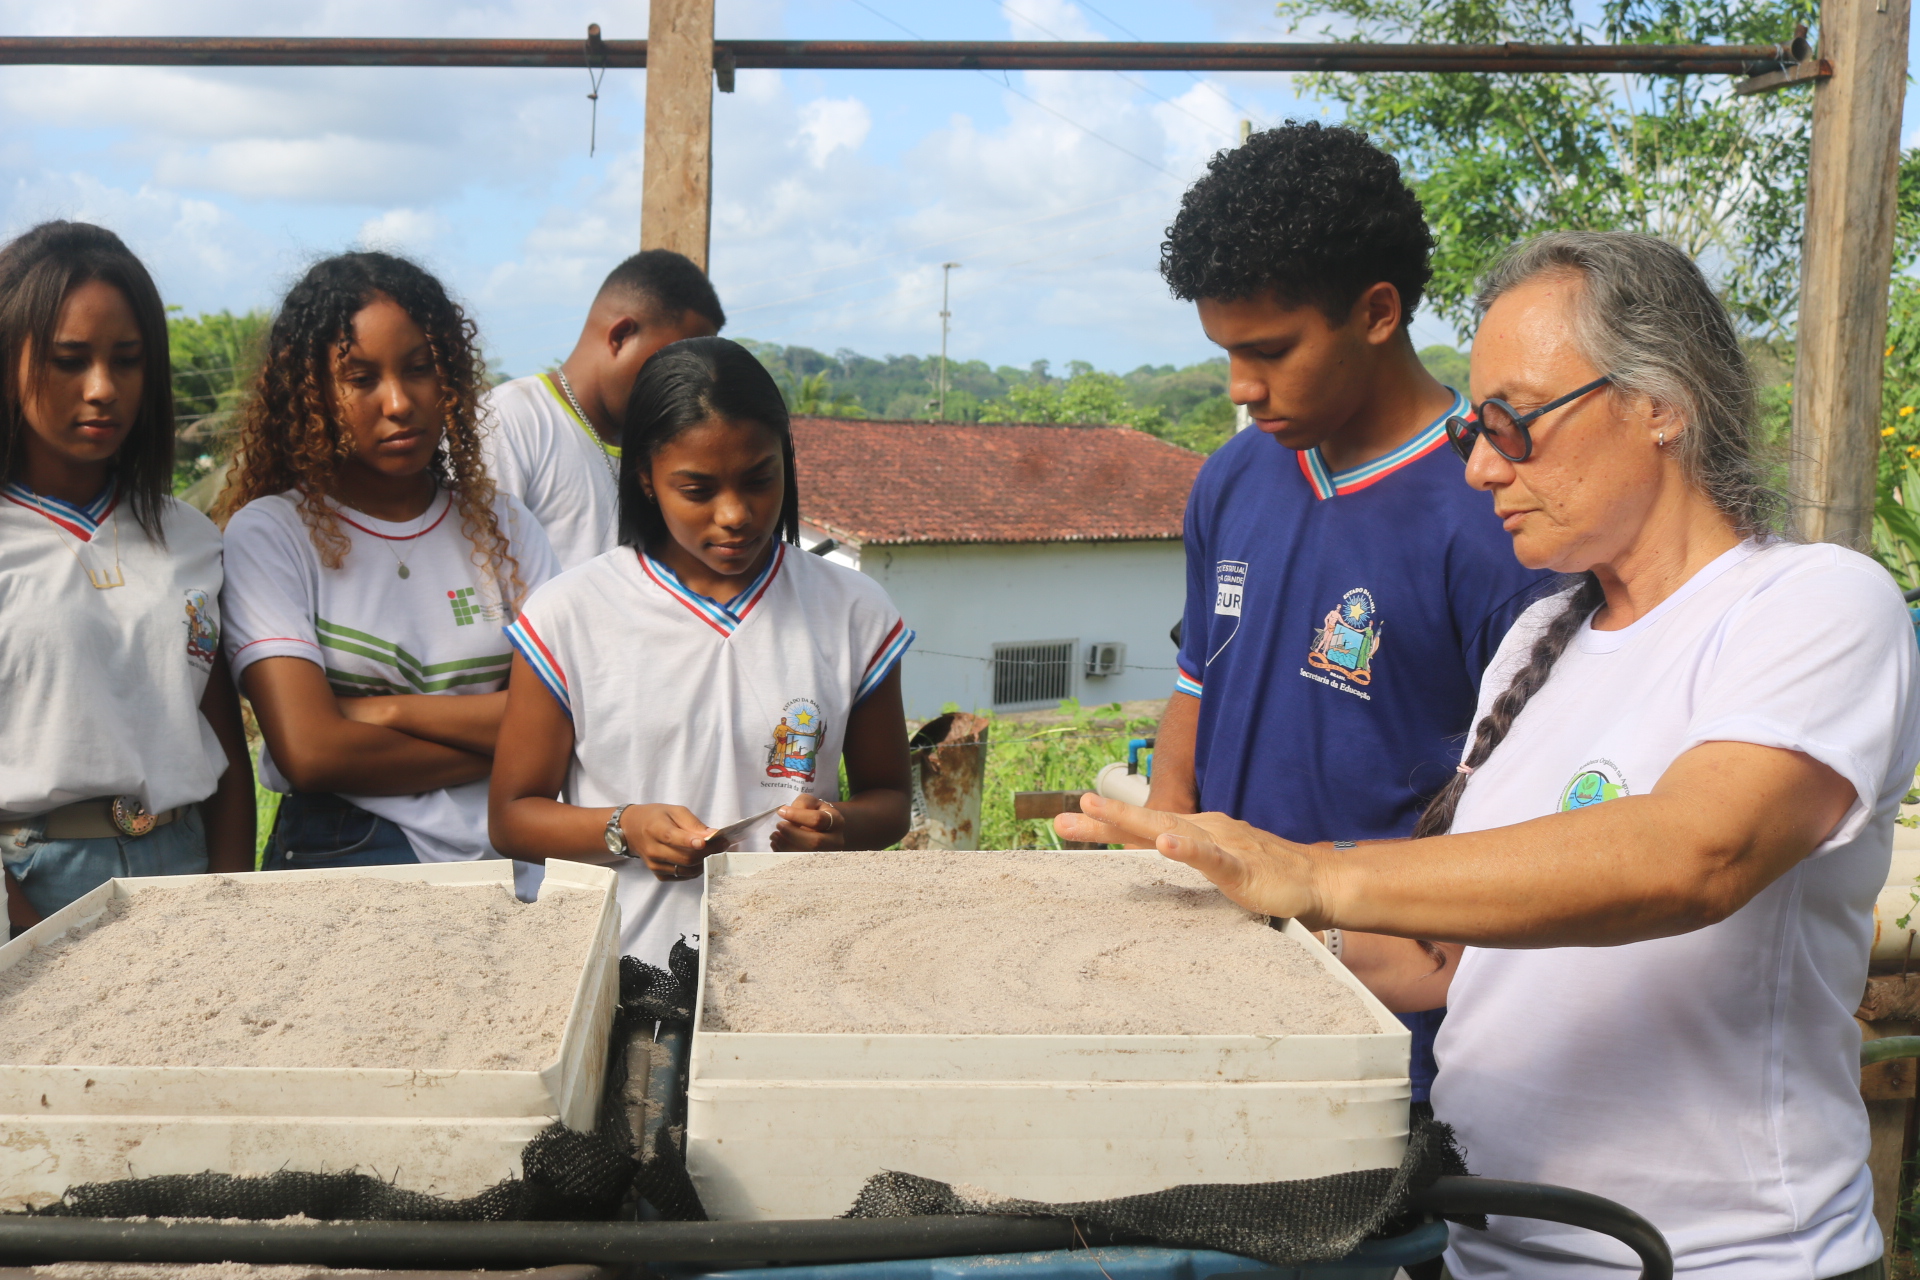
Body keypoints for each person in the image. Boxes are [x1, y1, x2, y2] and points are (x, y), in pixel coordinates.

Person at [1061, 231, 1920, 1280]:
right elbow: (1446, 956)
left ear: (1661, 403)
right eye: (1474, 428)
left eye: (1513, 423)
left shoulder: (1812, 604)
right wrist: (1212, 933)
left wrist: (1320, 873)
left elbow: (1700, 851)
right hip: (1490, 1248)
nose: (1479, 466)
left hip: (1715, 1259)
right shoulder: (1542, 638)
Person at [1148, 122, 1554, 1101]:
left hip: (1393, 1034)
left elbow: (1535, 835)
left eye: (1270, 350)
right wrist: (1161, 858)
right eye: (1226, 353)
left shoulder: (1497, 515)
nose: (1242, 387)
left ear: (1377, 312)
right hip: (1218, 998)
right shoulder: (1232, 478)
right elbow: (1196, 687)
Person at [489, 336, 912, 967]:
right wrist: (625, 827)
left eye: (759, 480)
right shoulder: (569, 615)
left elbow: (891, 800)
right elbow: (512, 818)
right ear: (646, 477)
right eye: (697, 489)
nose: (735, 514)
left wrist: (838, 826)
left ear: (786, 463)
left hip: (793, 963)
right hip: (618, 967)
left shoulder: (853, 611)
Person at [216, 252, 559, 895]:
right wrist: (509, 739)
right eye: (361, 378)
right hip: (346, 856)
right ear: (311, 393)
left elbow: (565, 717)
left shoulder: (506, 527)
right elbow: (311, 753)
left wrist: (380, 712)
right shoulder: (271, 535)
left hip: (515, 861)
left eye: (420, 368)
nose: (399, 402)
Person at [0, 221, 255, 928]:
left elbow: (220, 745)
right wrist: (24, 930)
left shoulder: (191, 537)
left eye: (129, 360)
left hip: (188, 866)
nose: (103, 388)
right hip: (32, 881)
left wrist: (234, 906)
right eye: (68, 359)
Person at [482, 250, 725, 570]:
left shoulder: (659, 445)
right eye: (675, 365)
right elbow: (481, 571)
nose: (686, 385)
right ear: (621, 336)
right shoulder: (506, 422)